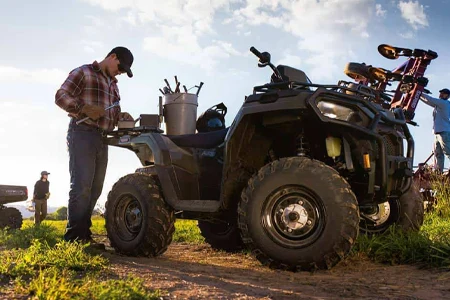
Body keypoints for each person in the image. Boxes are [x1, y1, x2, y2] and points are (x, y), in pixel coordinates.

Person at [55, 46, 135, 247]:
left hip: (102, 138)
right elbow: (60, 96)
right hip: (81, 134)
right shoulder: (84, 72)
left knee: (95, 189)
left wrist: (121, 117)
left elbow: (112, 114)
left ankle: (84, 235)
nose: (121, 72)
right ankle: (73, 238)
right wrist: (83, 108)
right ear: (112, 56)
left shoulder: (114, 86)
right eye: (120, 67)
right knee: (82, 186)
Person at [420, 88, 450, 173]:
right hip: (438, 133)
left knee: (447, 151)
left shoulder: (443, 103)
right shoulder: (440, 104)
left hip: (443, 132)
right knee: (438, 154)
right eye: (440, 93)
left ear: (447, 96)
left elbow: (430, 99)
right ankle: (438, 172)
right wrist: (418, 95)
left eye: (443, 93)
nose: (440, 95)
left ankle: (439, 171)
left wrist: (419, 93)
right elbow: (428, 101)